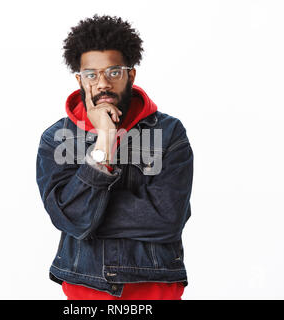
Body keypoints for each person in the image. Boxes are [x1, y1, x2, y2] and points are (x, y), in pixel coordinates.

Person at [36, 14, 194, 300]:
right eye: (91, 74)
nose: (102, 83)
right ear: (80, 79)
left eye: (113, 72)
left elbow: (168, 218)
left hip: (155, 288)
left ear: (130, 75)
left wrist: (88, 217)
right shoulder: (56, 138)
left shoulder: (169, 133)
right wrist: (105, 140)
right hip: (85, 289)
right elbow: (67, 218)